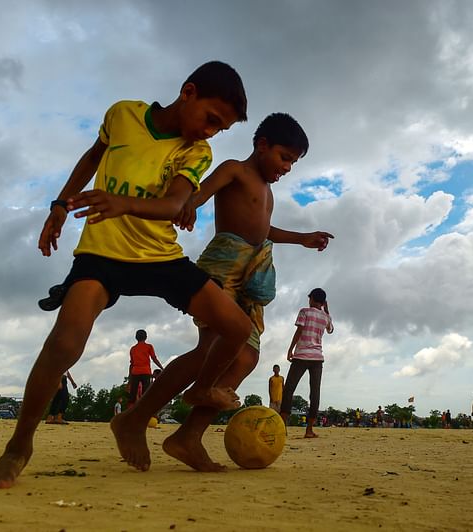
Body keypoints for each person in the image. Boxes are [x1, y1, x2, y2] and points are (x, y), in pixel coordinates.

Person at [0, 61, 251, 490]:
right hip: (102, 255)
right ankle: (17, 447)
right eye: (212, 119)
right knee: (64, 343)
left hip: (160, 257)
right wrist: (60, 204)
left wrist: (124, 203)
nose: (211, 132)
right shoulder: (123, 114)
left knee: (236, 327)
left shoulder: (197, 151)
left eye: (221, 129)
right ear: (188, 92)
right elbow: (91, 157)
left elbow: (175, 205)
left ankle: (141, 416)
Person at [110, 113, 332, 472]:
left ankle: (188, 435)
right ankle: (134, 419)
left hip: (250, 277)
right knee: (208, 352)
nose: (288, 167)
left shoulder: (268, 191)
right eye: (285, 157)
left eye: (293, 162)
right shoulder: (235, 170)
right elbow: (199, 195)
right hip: (222, 268)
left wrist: (301, 238)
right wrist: (187, 208)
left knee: (245, 358)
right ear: (261, 146)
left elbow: (263, 230)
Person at [280, 288, 334, 439]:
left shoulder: (305, 311)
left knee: (289, 389)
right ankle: (309, 430)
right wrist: (327, 311)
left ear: (311, 299)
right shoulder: (326, 317)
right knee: (314, 393)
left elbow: (299, 331)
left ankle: (282, 425)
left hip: (302, 355)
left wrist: (290, 349)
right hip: (317, 358)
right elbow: (330, 330)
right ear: (323, 302)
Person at [128, 329, 163, 406]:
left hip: (135, 372)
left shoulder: (133, 349)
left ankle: (130, 411)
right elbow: (154, 359)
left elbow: (132, 364)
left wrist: (129, 378)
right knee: (145, 395)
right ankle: (144, 410)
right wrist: (162, 368)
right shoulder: (149, 347)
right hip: (145, 372)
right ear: (146, 337)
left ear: (136, 337)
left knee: (132, 395)